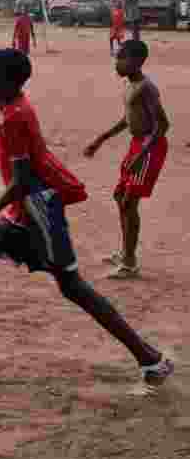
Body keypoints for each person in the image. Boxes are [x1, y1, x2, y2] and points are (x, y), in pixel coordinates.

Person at [0, 49, 174, 392]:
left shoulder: (15, 117)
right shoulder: (10, 106)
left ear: (7, 82)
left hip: (37, 212)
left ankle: (150, 359)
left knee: (73, 286)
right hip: (21, 212)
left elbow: (22, 181)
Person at [84, 40, 170, 280]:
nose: (117, 62)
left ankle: (130, 263)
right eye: (117, 57)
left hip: (149, 148)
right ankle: (126, 252)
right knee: (120, 196)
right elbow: (129, 118)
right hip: (137, 146)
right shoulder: (130, 85)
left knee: (128, 202)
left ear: (138, 61)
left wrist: (141, 157)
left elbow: (162, 125)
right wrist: (101, 138)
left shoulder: (147, 88)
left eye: (122, 58)